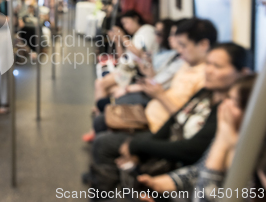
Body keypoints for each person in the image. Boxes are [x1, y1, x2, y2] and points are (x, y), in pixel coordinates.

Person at [85, 42, 249, 197]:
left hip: (176, 156)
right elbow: (176, 118)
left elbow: (192, 150)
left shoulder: (228, 108)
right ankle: (104, 186)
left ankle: (104, 190)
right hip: (163, 135)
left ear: (242, 73)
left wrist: (138, 146)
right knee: (107, 136)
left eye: (217, 66)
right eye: (209, 64)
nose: (209, 70)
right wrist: (139, 149)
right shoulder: (206, 92)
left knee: (105, 143)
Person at [137, 74, 262, 202]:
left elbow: (205, 197)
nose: (225, 105)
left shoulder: (255, 160)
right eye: (227, 98)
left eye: (234, 102)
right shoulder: (233, 131)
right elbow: (200, 169)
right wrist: (170, 181)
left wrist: (222, 141)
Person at [143, 18, 217, 132]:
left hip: (161, 130)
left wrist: (159, 95)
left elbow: (187, 121)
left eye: (183, 46)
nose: (180, 50)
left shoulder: (206, 77)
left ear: (203, 44)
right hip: (149, 118)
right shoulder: (188, 64)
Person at [94, 10, 158, 102]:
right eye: (123, 24)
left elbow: (139, 53)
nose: (125, 26)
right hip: (125, 68)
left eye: (126, 22)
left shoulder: (146, 30)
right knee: (106, 89)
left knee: (100, 84)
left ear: (136, 19)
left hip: (131, 71)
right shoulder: (134, 37)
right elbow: (122, 58)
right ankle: (101, 111)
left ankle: (99, 111)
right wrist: (117, 41)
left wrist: (123, 37)